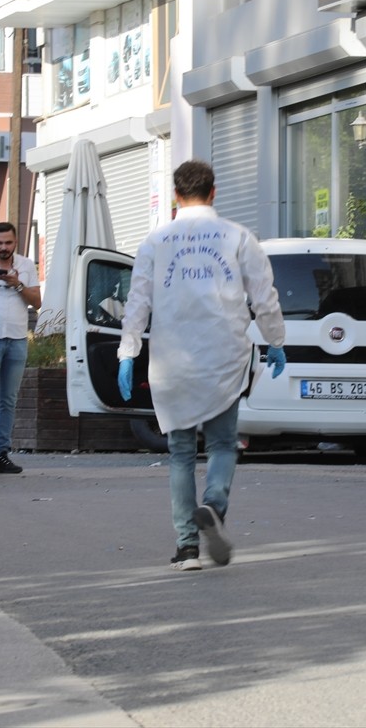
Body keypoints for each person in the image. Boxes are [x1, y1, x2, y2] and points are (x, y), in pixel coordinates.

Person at [117, 159, 287, 571]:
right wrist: (276, 341)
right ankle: (213, 503)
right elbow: (264, 296)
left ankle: (187, 546)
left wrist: (127, 352)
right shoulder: (238, 237)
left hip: (172, 360)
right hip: (224, 356)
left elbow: (138, 302)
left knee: (179, 453)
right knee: (223, 444)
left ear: (176, 196)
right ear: (214, 192)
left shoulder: (155, 242)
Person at [0, 221, 42, 475]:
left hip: (17, 338)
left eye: (8, 243)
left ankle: (1, 453)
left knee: (9, 400)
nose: (3, 248)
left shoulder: (25, 266)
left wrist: (18, 285)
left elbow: (37, 301)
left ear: (15, 242)